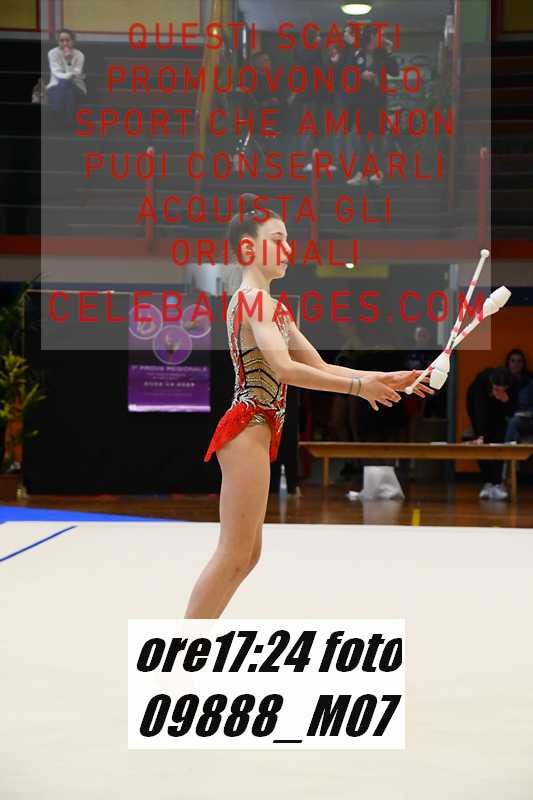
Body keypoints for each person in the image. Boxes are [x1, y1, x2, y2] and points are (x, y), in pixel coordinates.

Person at [183, 193, 432, 618]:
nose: (288, 249)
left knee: (247, 555)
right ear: (248, 248)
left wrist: (383, 378)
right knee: (233, 553)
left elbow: (319, 366)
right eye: (277, 239)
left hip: (258, 430)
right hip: (247, 428)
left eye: (288, 239)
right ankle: (184, 644)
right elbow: (284, 369)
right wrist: (359, 388)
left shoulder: (274, 308)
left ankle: (196, 637)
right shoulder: (253, 300)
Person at [343, 25, 399, 186]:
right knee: (363, 139)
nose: (381, 37)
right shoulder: (358, 54)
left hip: (378, 102)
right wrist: (361, 75)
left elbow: (394, 71)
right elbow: (348, 74)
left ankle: (379, 172)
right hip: (362, 102)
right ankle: (361, 174)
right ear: (371, 36)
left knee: (378, 138)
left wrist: (390, 50)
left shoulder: (382, 54)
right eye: (378, 34)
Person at [466, 366, 516, 500]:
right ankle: (487, 482)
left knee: (498, 441)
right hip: (476, 406)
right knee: (481, 443)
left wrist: (505, 400)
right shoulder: (480, 385)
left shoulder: (512, 384)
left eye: (502, 389)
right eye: (496, 389)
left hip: (499, 413)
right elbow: (479, 411)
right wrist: (480, 434)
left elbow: (512, 411)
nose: (498, 392)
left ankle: (497, 483)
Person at [46, 28, 87, 126]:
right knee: (68, 91)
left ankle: (56, 110)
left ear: (73, 41)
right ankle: (69, 121)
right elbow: (56, 72)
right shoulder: (52, 53)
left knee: (66, 83)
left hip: (76, 86)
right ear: (58, 41)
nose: (65, 43)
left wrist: (68, 61)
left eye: (68, 40)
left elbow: (76, 73)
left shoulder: (79, 55)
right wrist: (68, 75)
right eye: (61, 40)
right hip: (56, 85)